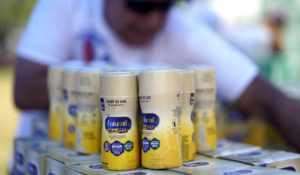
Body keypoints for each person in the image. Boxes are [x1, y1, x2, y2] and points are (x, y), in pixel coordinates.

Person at [14, 0, 300, 151]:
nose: (152, 20)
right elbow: (25, 89)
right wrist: (142, 93)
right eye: (140, 4)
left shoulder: (183, 31)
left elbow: (270, 101)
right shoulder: (64, 5)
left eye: (164, 6)